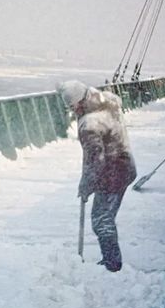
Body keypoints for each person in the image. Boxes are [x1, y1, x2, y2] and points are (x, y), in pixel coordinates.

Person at [57, 80, 137, 272]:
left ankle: (112, 264)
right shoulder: (108, 102)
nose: (72, 111)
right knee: (103, 217)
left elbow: (94, 160)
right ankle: (111, 259)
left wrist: (86, 186)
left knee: (102, 220)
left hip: (112, 174)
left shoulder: (90, 124)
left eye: (73, 106)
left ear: (81, 101)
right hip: (124, 166)